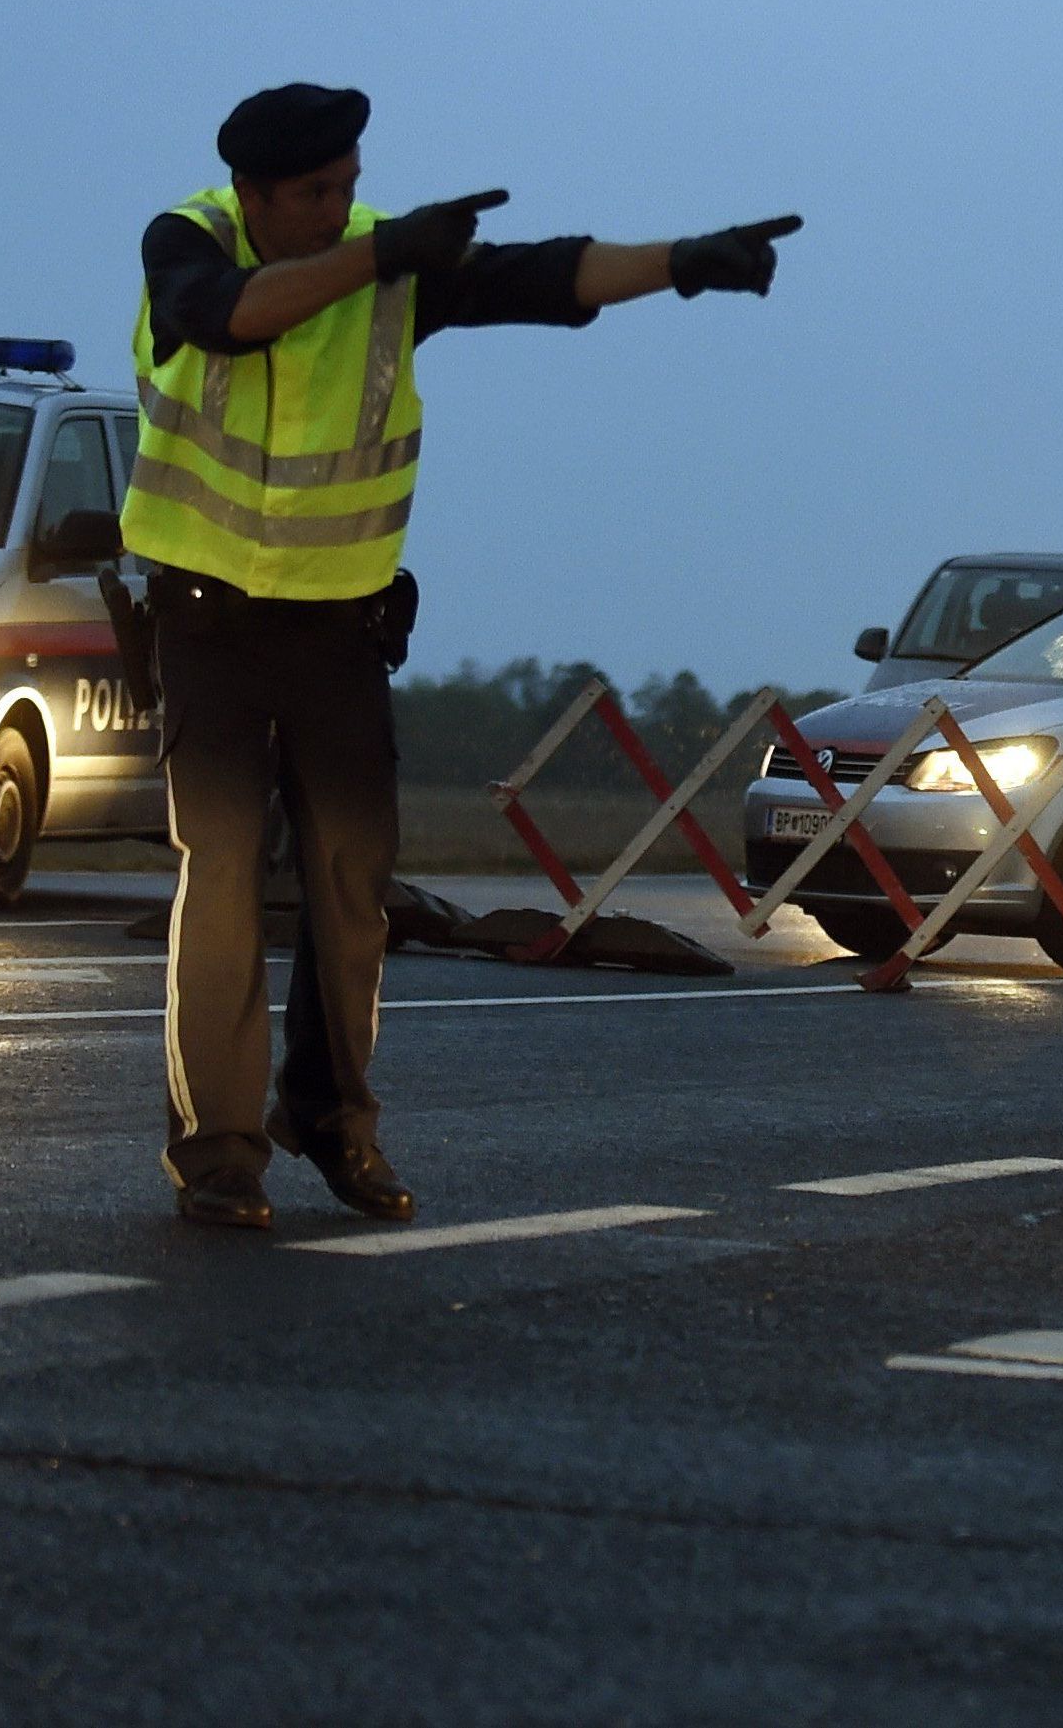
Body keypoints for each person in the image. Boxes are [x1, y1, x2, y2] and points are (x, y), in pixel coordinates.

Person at [124, 83, 797, 1230]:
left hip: (338, 627)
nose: (340, 210)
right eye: (316, 194)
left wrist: (685, 259)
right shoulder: (189, 240)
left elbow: (541, 277)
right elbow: (223, 316)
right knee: (227, 879)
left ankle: (334, 1123)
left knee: (349, 888)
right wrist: (384, 249)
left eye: (349, 187)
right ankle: (220, 1150)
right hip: (210, 622)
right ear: (252, 192)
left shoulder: (384, 271)